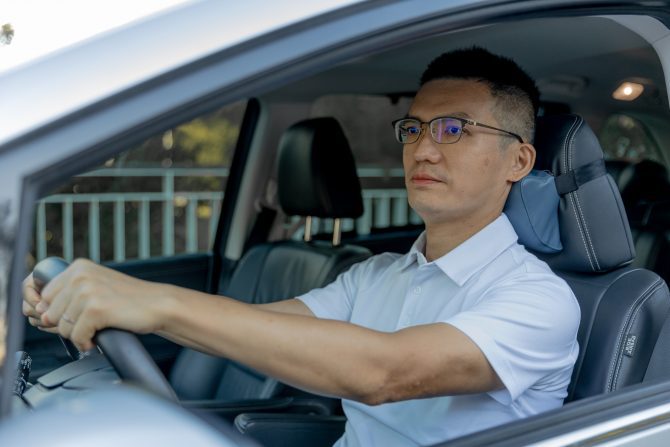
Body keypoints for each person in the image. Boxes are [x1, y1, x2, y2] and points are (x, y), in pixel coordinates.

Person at [23, 47, 580, 446]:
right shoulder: (377, 274)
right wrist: (107, 303)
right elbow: (256, 326)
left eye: (453, 130)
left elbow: (385, 374)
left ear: (519, 161)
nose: (423, 152)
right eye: (413, 129)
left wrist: (156, 302)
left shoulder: (540, 302)